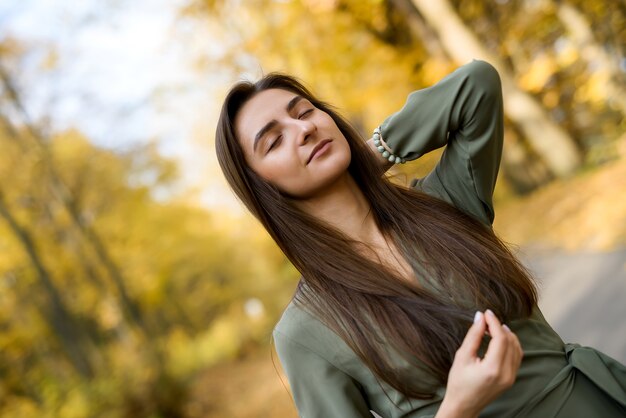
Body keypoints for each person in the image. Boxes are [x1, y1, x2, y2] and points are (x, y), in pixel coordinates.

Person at [215, 60, 626, 417]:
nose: (302, 129)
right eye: (274, 141)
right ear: (262, 190)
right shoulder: (304, 333)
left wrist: (372, 154)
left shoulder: (443, 203)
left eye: (304, 111)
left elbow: (476, 85)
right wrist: (458, 408)